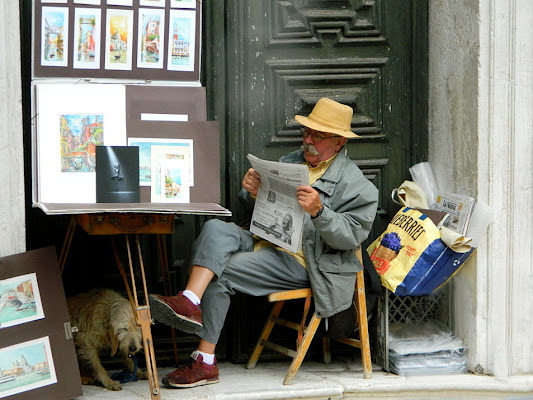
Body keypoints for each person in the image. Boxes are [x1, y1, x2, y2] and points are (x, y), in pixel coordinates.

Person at [148, 98, 379, 389]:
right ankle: (190, 301)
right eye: (306, 133)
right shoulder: (291, 162)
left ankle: (204, 361)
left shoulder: (358, 186)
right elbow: (254, 210)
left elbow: (352, 236)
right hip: (265, 239)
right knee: (215, 228)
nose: (308, 141)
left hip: (303, 260)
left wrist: (320, 212)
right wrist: (252, 193)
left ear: (339, 142)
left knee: (220, 272)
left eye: (317, 137)